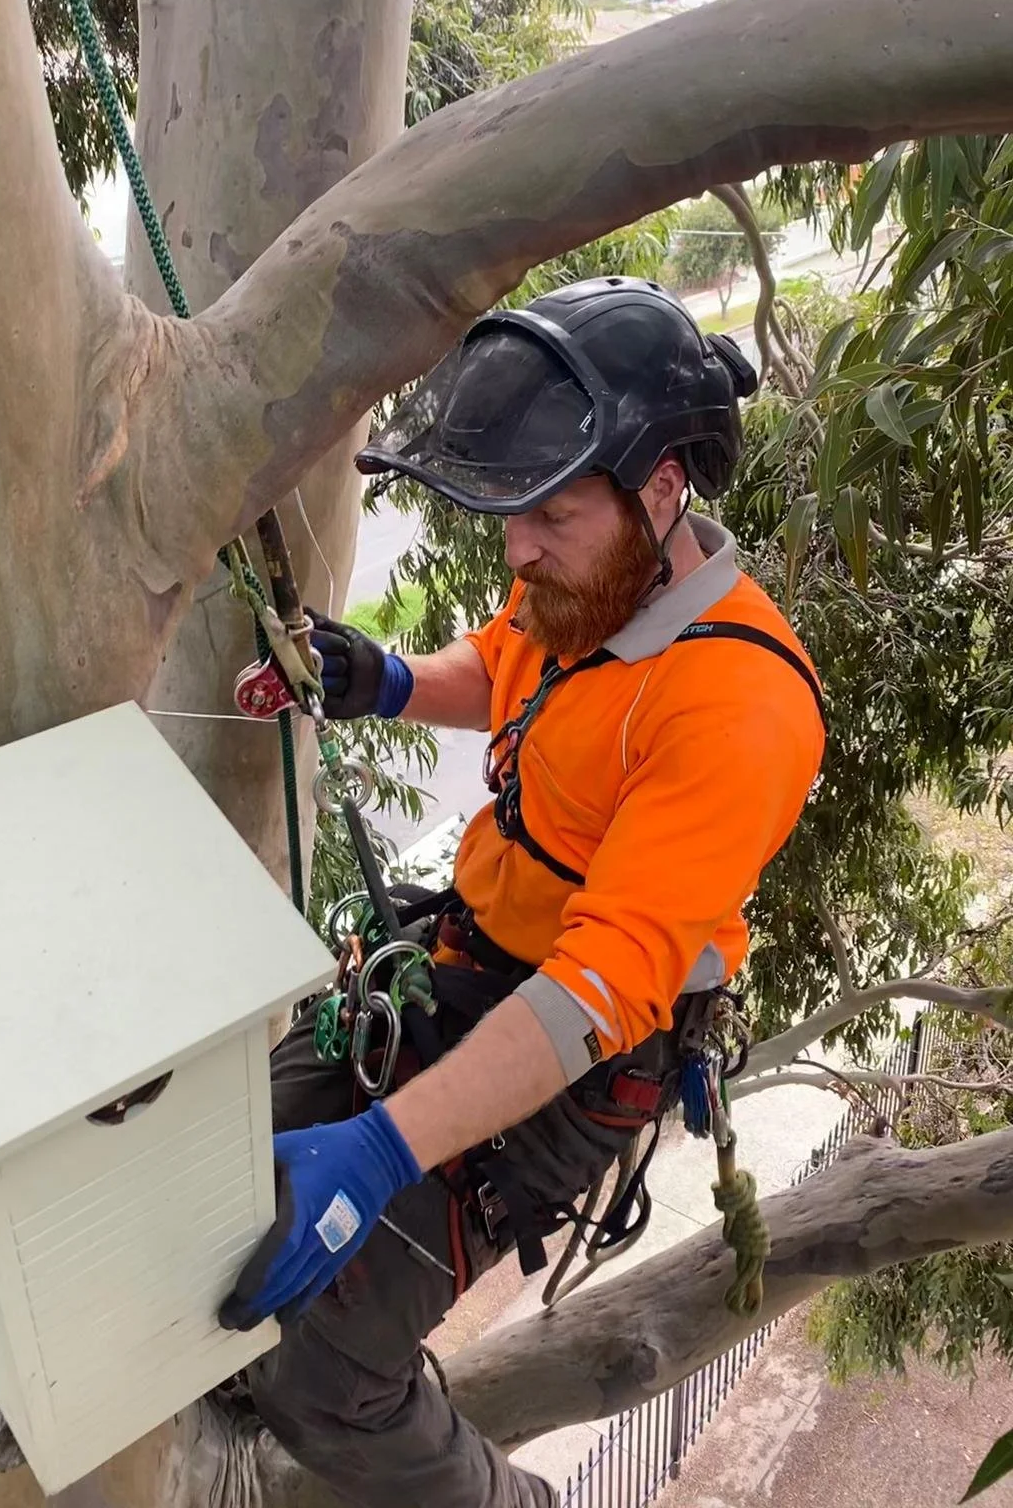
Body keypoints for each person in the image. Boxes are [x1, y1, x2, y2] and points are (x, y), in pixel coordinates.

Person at [218, 277, 826, 1507]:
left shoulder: (741, 704)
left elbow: (591, 995)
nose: (518, 548)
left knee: (328, 1361)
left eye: (548, 512)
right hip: (465, 968)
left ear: (663, 491)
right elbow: (504, 668)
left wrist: (386, 1149)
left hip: (579, 1057)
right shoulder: (588, 581)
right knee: (217, 1168)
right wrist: (382, 679)